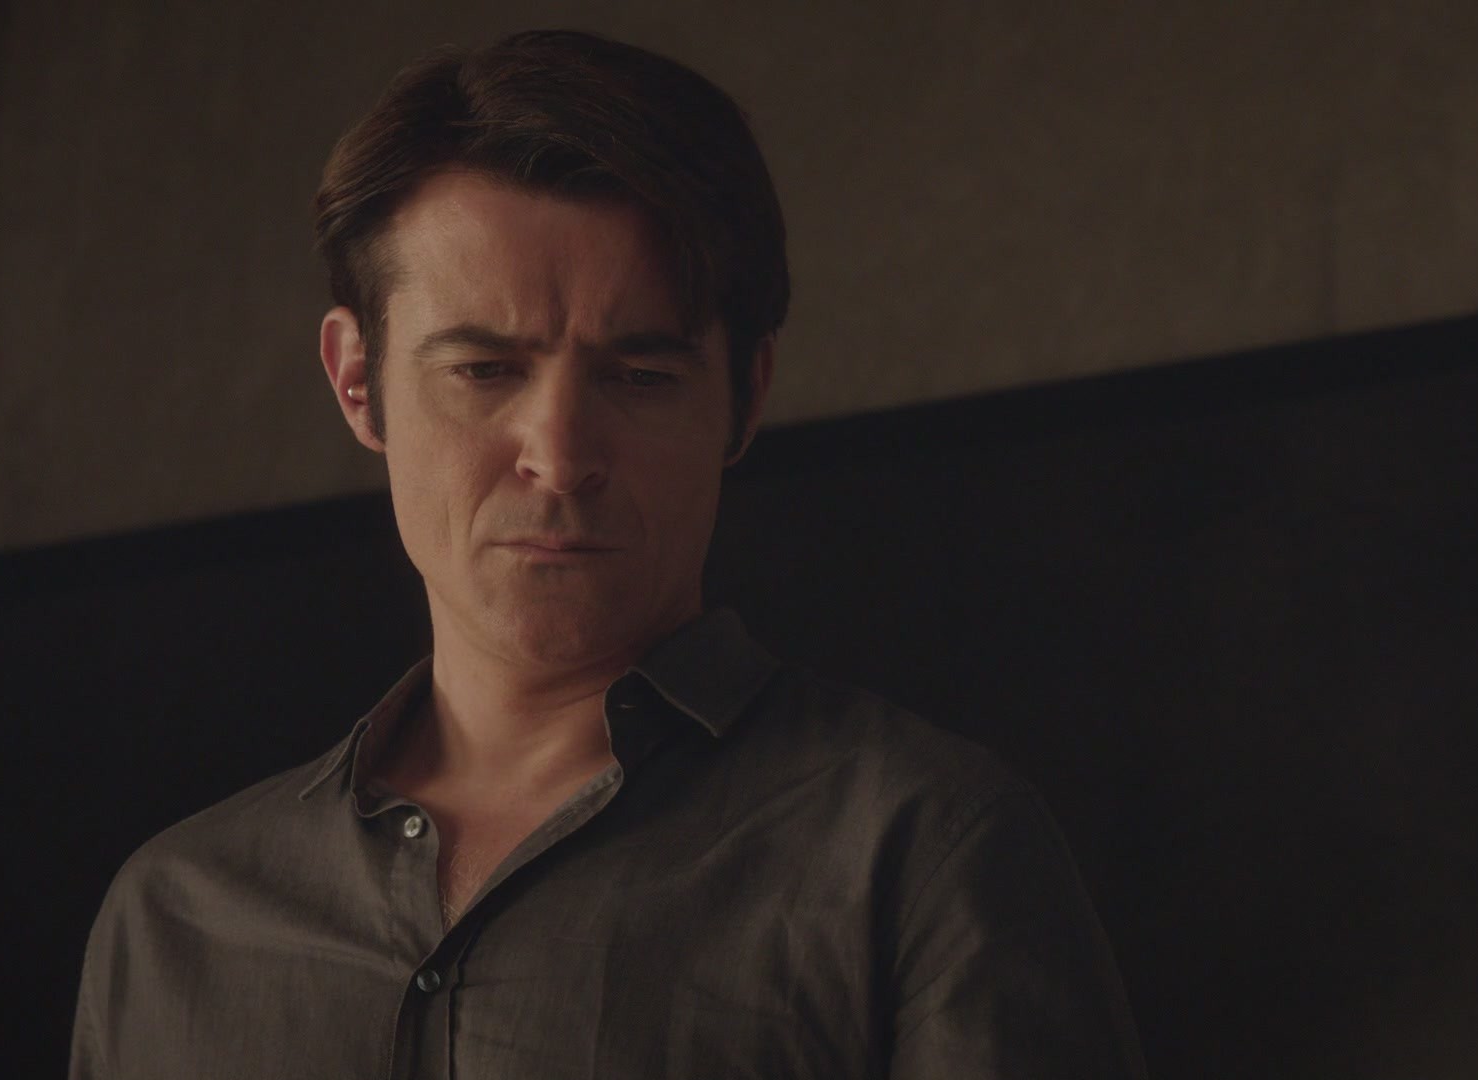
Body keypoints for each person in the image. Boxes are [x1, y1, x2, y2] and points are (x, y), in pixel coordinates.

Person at [69, 29, 1146, 1079]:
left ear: (747, 396)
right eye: (484, 371)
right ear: (358, 382)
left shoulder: (920, 854)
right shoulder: (176, 917)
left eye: (640, 377)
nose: (561, 456)